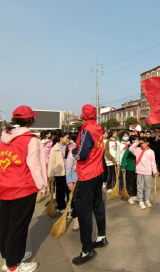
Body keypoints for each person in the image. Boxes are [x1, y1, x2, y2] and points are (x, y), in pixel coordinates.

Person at [0, 106, 47, 272]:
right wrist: (42, 186)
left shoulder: (5, 136)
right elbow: (35, 167)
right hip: (23, 187)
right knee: (18, 226)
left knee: (5, 223)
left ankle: (8, 256)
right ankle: (13, 265)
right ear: (31, 121)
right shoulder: (31, 140)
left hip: (4, 185)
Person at [71, 104, 107, 265]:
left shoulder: (86, 130)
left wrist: (73, 151)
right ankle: (101, 237)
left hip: (87, 174)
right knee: (98, 205)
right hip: (98, 171)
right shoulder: (97, 127)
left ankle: (86, 250)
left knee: (84, 210)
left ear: (83, 115)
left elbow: (82, 154)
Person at [129, 137, 159, 210]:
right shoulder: (137, 150)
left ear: (147, 143)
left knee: (147, 187)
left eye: (144, 143)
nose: (142, 145)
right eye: (141, 143)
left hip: (148, 172)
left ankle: (147, 199)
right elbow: (130, 149)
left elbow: (153, 163)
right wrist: (137, 142)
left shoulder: (151, 152)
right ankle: (141, 201)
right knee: (140, 187)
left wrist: (154, 171)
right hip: (139, 171)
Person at [48, 131, 70, 213]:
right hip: (59, 173)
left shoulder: (68, 147)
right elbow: (51, 162)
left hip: (67, 171)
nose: (68, 139)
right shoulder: (54, 148)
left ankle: (68, 205)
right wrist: (51, 175)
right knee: (60, 190)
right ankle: (61, 206)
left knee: (68, 190)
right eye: (66, 137)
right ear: (61, 138)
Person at [65, 133, 79, 232]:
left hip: (84, 179)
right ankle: (75, 218)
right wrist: (69, 182)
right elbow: (68, 168)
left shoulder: (86, 150)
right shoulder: (72, 151)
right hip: (74, 180)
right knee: (75, 200)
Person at [121, 135, 138, 204]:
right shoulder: (129, 148)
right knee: (129, 183)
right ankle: (129, 196)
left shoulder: (138, 148)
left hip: (137, 168)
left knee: (135, 182)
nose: (138, 141)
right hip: (130, 168)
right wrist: (123, 167)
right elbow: (124, 158)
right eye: (137, 139)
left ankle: (134, 195)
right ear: (133, 141)